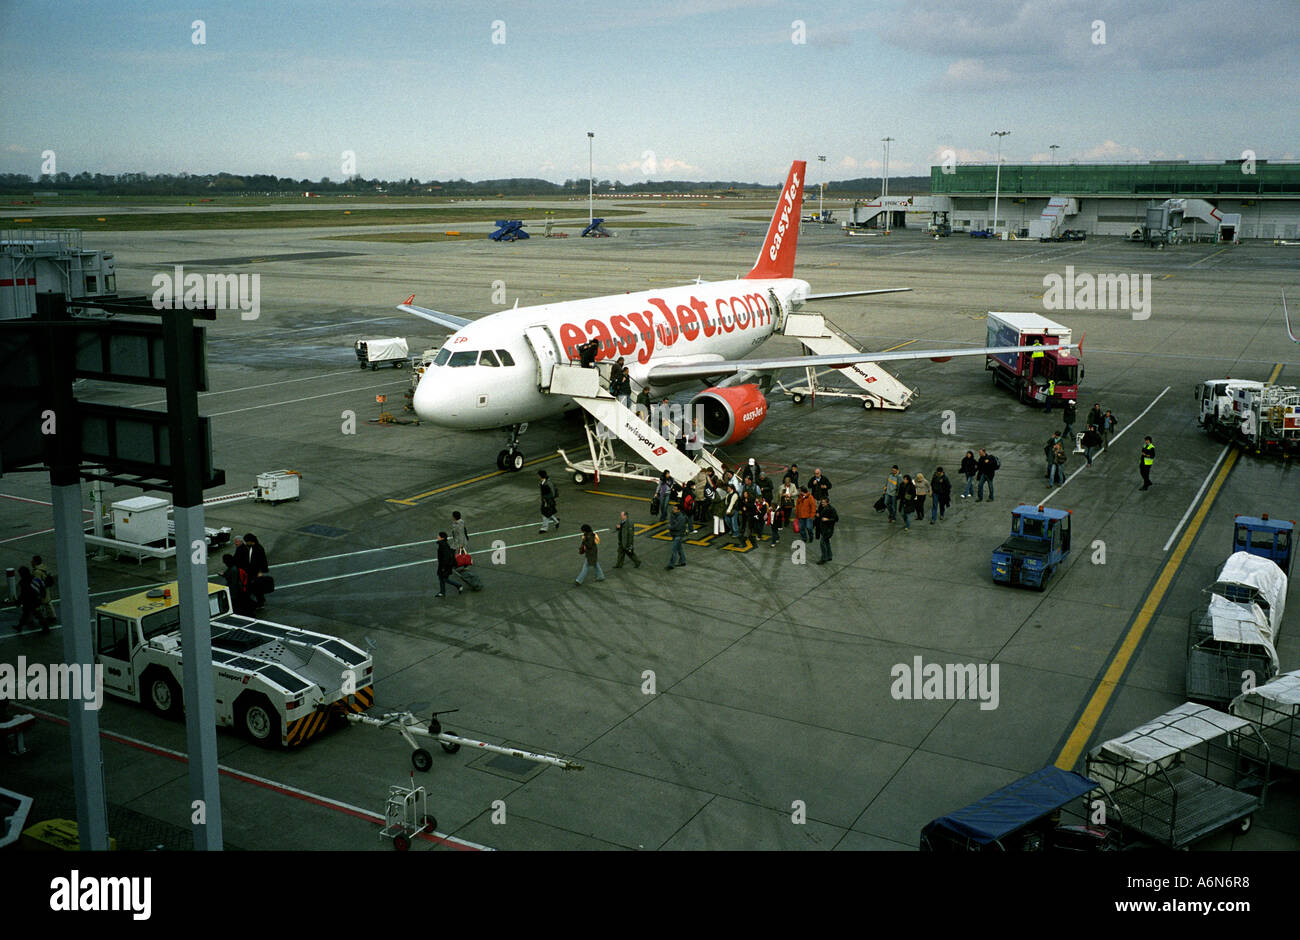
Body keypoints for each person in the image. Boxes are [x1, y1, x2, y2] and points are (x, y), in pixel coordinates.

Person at [236, 533, 270, 608]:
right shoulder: (251, 547)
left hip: (256, 571)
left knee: (256, 587)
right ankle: (258, 601)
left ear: (251, 541)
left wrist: (260, 571)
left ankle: (260, 601)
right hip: (250, 570)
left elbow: (263, 560)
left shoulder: (258, 548)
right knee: (252, 586)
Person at [435, 532, 462, 598]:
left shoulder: (443, 545)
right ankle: (442, 592)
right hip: (444, 565)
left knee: (444, 578)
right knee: (442, 578)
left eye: (438, 536)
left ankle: (458, 585)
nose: (437, 537)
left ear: (442, 538)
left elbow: (446, 557)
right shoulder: (443, 544)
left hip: (445, 565)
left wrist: (443, 567)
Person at [14, 566, 41, 632]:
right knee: (34, 614)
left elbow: (23, 593)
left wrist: (19, 601)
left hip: (29, 602)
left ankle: (19, 626)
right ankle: (19, 626)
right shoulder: (33, 578)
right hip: (35, 600)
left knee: (29, 614)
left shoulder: (23, 582)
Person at [31, 554, 55, 627]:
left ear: (36, 561)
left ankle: (45, 618)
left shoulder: (37, 571)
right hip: (45, 588)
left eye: (32, 561)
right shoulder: (43, 567)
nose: (31, 562)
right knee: (47, 602)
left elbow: (37, 582)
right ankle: (52, 615)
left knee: (41, 603)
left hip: (41, 590)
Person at [816, 497, 838, 564]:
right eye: (822, 502)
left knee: (822, 543)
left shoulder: (831, 509)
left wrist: (827, 519)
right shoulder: (821, 507)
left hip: (828, 529)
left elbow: (836, 519)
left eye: (824, 502)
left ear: (827, 502)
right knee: (826, 542)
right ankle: (829, 556)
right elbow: (818, 512)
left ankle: (824, 558)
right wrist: (818, 514)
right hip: (823, 528)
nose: (822, 503)